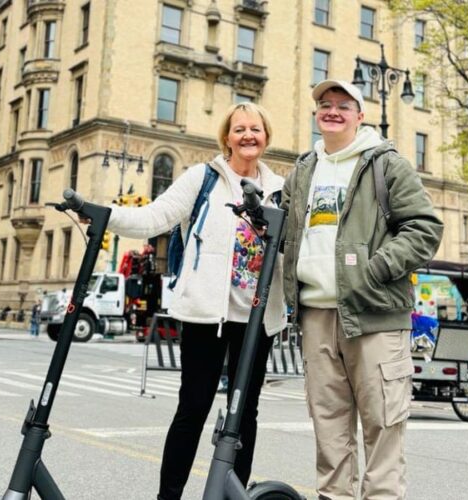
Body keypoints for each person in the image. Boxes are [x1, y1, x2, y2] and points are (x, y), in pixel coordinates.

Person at [101, 102, 287, 500]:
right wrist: (105, 216)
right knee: (193, 408)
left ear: (266, 137)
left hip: (258, 317)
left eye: (255, 128)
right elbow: (156, 217)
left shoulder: (281, 189)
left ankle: (229, 493)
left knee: (244, 414)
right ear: (227, 138)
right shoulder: (202, 178)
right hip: (206, 313)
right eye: (239, 129)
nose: (248, 135)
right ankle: (168, 496)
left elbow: (295, 249)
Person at [280, 80, 443, 500]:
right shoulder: (302, 170)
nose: (332, 111)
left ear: (360, 114)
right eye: (324, 105)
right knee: (329, 432)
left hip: (374, 315)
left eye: (343, 106)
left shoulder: (386, 164)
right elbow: (284, 230)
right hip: (316, 315)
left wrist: (376, 269)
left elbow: (424, 227)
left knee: (383, 427)